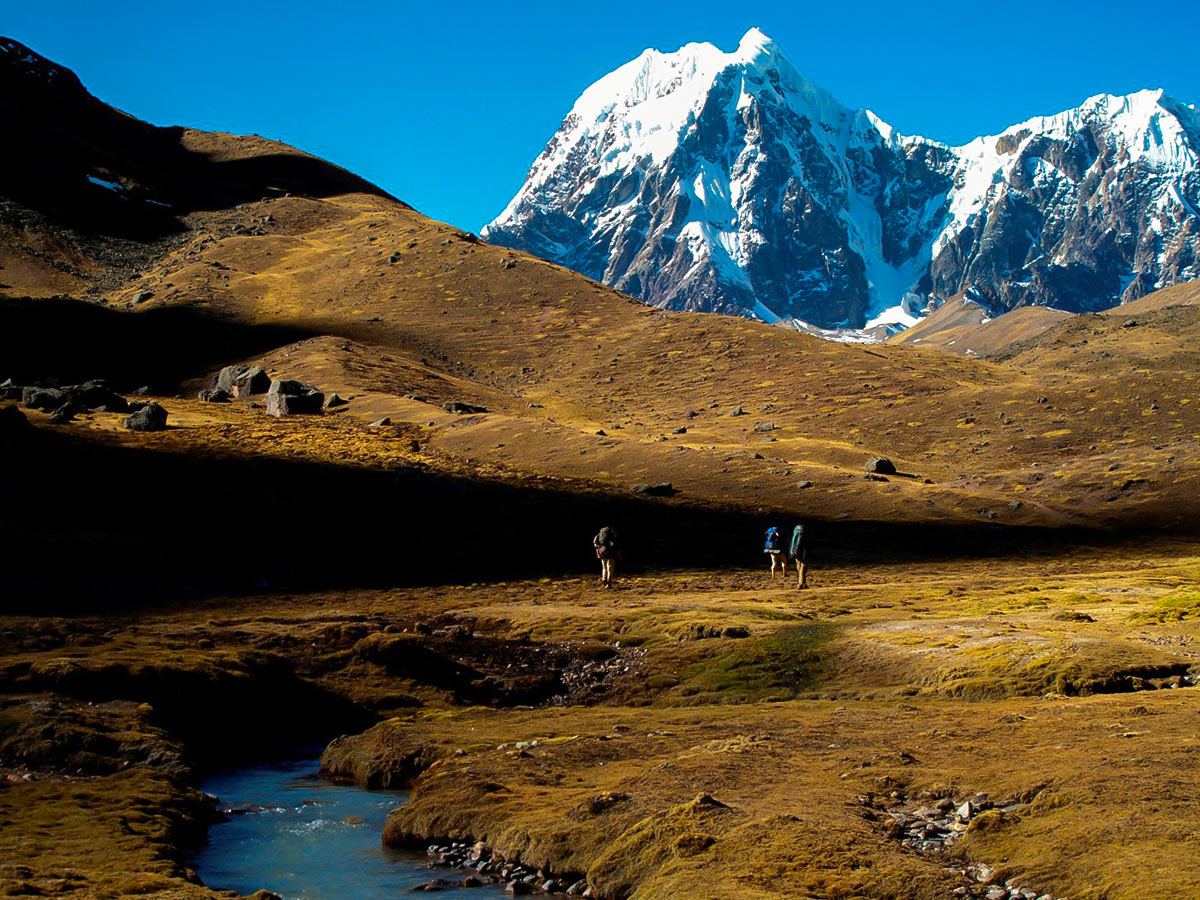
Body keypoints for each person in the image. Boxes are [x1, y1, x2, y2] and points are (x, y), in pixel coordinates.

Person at [789, 522, 810, 589]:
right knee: (803, 568)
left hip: (795, 552)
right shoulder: (805, 535)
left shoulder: (795, 534)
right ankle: (801, 584)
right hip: (803, 553)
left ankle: (802, 583)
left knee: (800, 567)